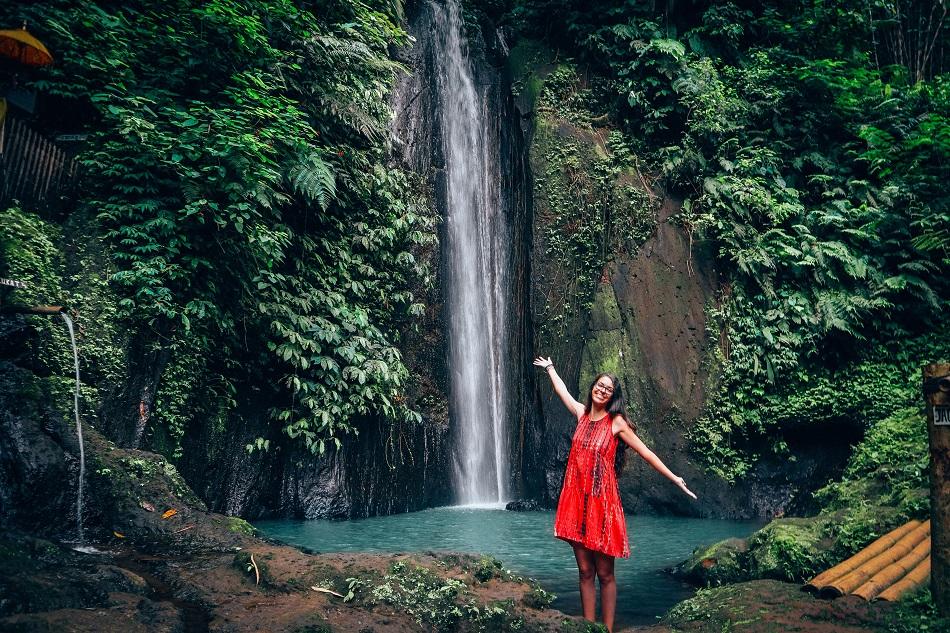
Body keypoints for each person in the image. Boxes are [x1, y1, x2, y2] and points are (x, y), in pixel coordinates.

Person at [534, 356, 697, 632]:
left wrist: (675, 478)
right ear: (592, 388)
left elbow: (646, 452)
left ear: (613, 397)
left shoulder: (616, 423)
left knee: (605, 574)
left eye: (608, 389)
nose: (602, 390)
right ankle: (589, 627)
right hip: (576, 501)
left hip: (602, 504)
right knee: (585, 571)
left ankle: (607, 629)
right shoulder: (581, 414)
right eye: (600, 385)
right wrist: (551, 368)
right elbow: (562, 390)